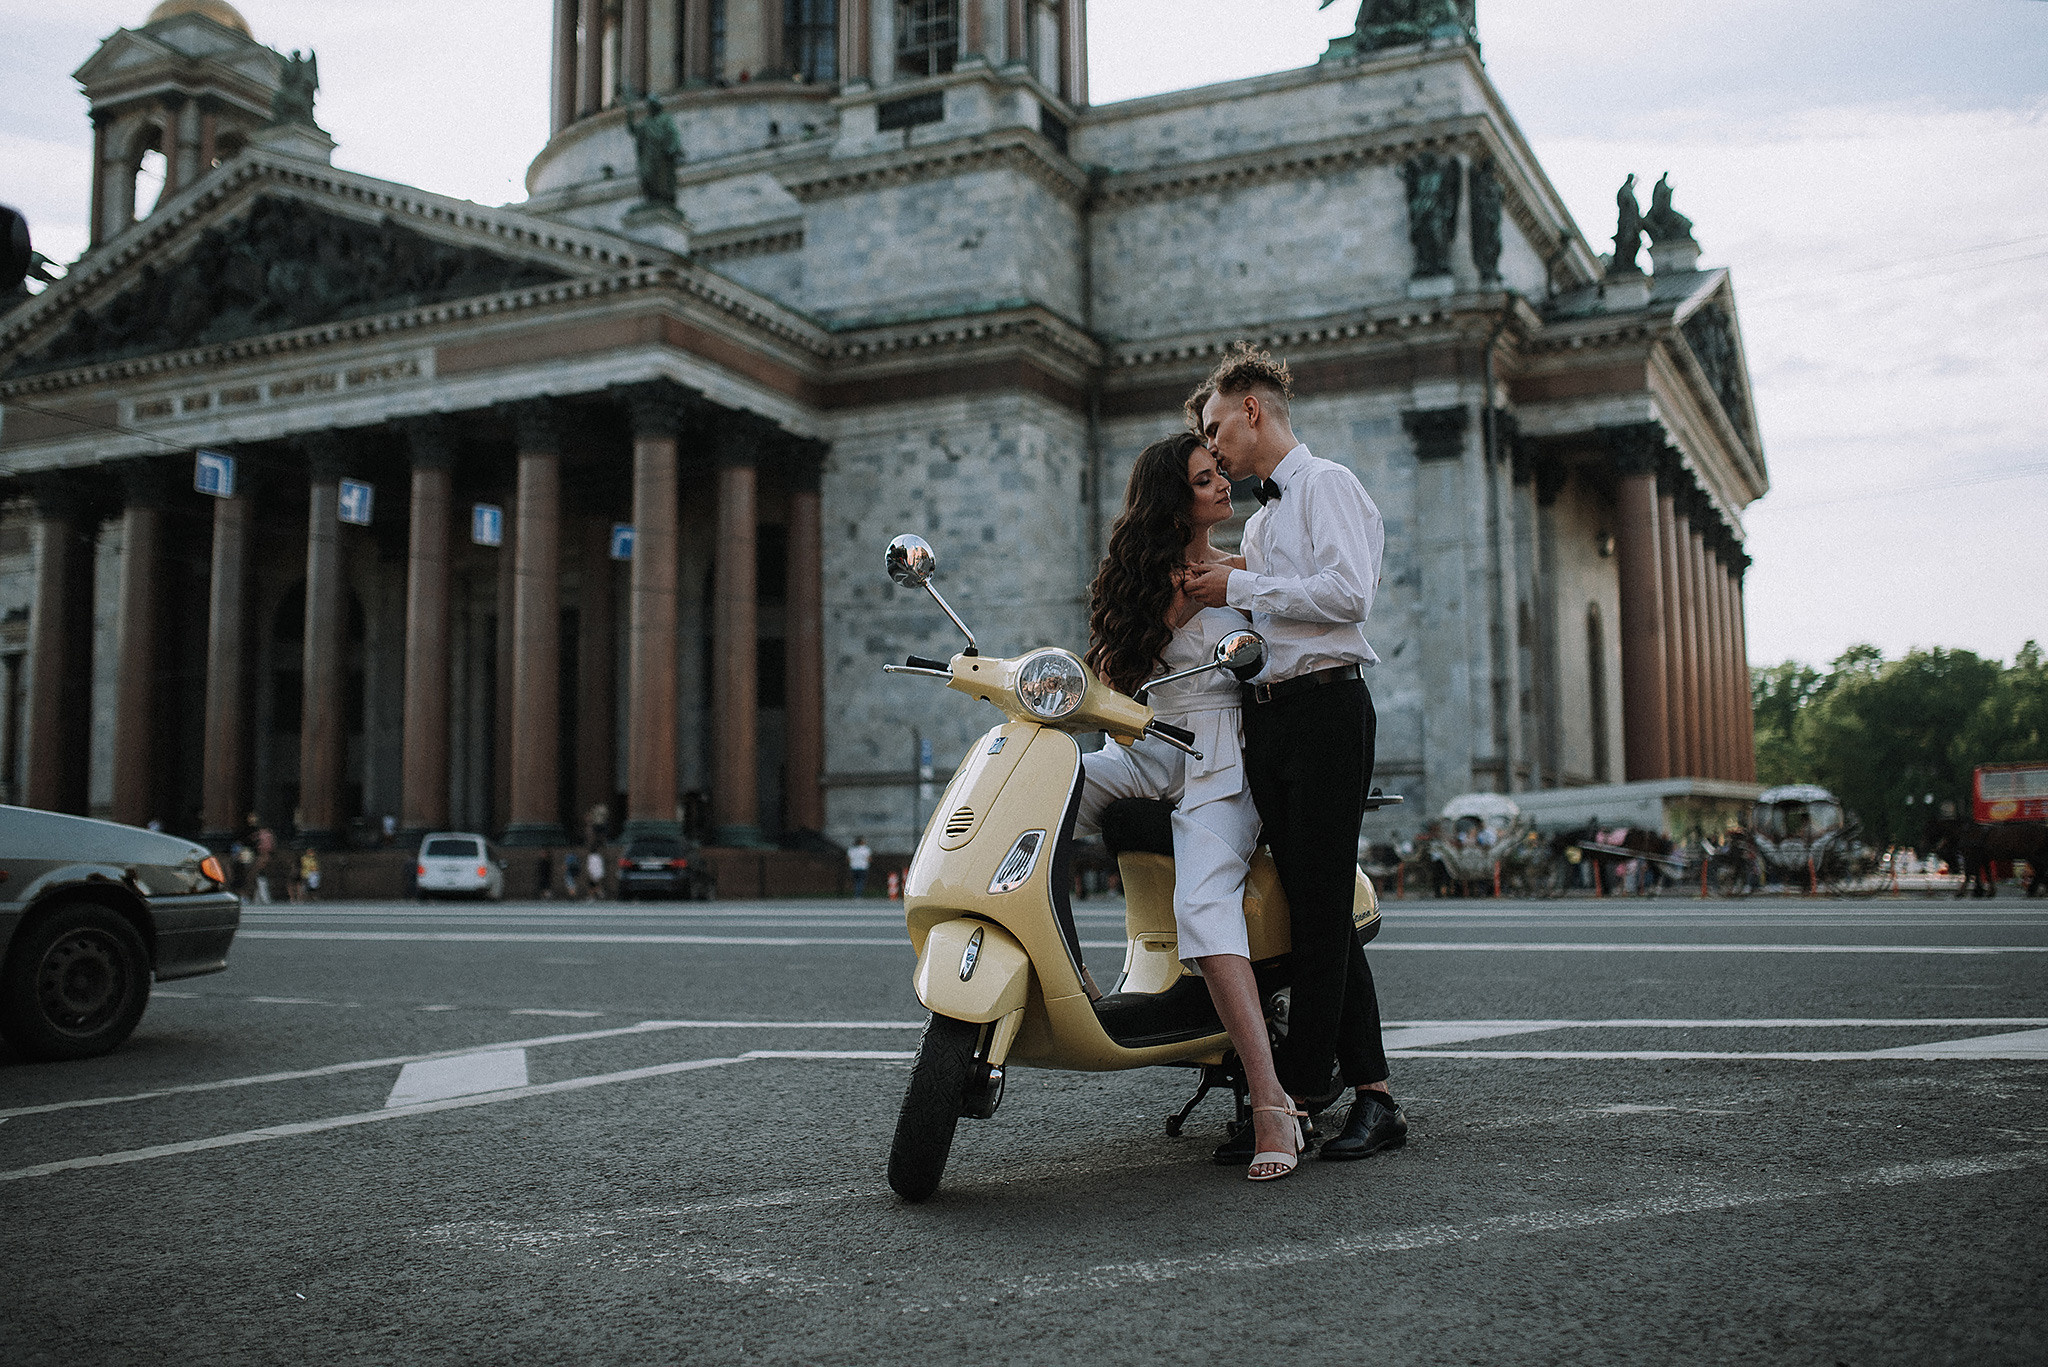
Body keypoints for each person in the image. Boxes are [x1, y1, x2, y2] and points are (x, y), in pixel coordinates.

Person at [1182, 342, 1406, 1163]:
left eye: (1215, 430)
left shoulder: (1326, 486)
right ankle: (1365, 1093)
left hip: (1325, 711)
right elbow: (1274, 608)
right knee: (1314, 905)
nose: (1211, 450)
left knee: (1320, 907)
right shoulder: (1268, 516)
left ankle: (1311, 1089)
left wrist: (1238, 585)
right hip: (1270, 716)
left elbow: (1350, 597)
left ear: (1251, 410)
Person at [1073, 429, 1304, 1181]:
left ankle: (1272, 1100)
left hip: (1220, 754)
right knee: (1050, 795)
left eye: (1218, 474)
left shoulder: (1246, 565)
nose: (1221, 486)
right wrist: (1170, 606)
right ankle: (1069, 974)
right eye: (1206, 480)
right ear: (1176, 499)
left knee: (1205, 906)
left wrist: (1226, 579)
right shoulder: (1136, 573)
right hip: (1147, 741)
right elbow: (1114, 670)